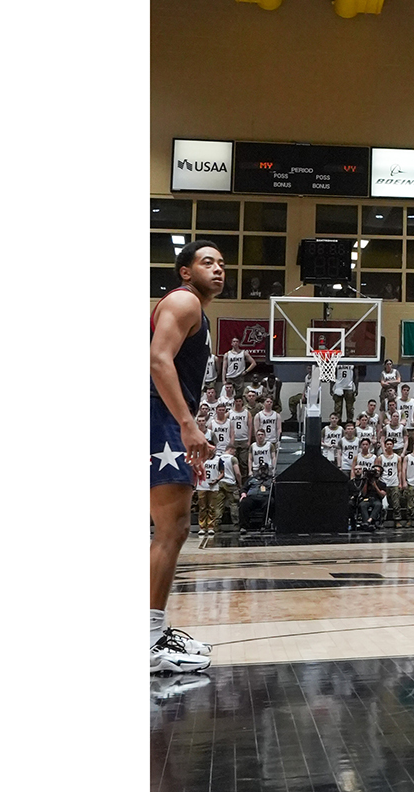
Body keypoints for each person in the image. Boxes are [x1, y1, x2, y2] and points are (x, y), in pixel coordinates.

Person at [150, 240, 222, 675]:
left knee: (170, 529)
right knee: (172, 529)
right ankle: (149, 640)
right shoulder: (184, 301)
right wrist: (186, 423)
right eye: (206, 262)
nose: (217, 269)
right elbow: (158, 360)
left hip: (160, 417)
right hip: (157, 415)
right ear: (184, 271)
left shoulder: (187, 307)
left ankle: (151, 631)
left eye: (221, 263)